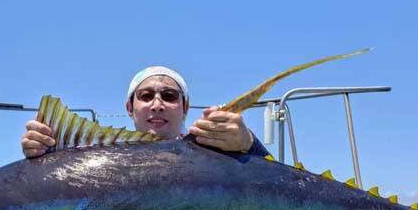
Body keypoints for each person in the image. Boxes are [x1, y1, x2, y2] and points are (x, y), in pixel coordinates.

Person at [21, 66, 270, 158]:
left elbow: (279, 184)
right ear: (130, 108)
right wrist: (43, 153)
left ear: (185, 107)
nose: (157, 104)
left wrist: (249, 144)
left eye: (169, 96)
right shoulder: (91, 156)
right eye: (146, 96)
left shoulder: (218, 152)